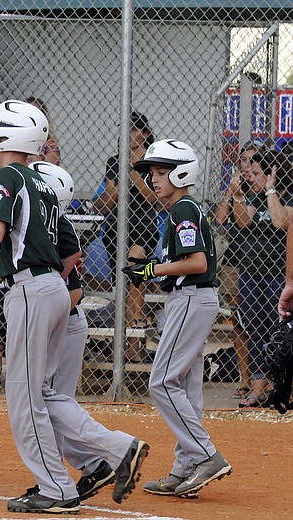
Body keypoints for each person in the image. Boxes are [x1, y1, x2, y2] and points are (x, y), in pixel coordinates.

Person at [0, 100, 148, 514]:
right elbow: (64, 250)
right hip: (52, 289)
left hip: (29, 291)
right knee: (43, 392)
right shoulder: (43, 183)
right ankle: (118, 447)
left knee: (23, 398)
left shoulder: (9, 177)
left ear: (10, 136)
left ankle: (56, 489)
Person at [122, 139, 232, 497]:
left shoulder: (184, 208)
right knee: (187, 388)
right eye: (152, 173)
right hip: (192, 299)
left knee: (162, 381)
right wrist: (152, 269)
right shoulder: (181, 210)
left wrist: (151, 269)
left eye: (162, 172)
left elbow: (196, 263)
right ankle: (186, 470)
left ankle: (205, 456)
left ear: (182, 173)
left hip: (190, 299)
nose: (155, 180)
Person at [92, 110, 158, 362]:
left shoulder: (152, 161)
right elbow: (109, 201)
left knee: (135, 260)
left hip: (144, 225)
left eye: (137, 130)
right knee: (122, 281)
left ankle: (137, 322)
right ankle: (130, 348)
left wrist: (131, 171)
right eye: (128, 130)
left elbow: (153, 198)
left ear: (146, 134)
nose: (132, 135)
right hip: (117, 227)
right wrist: (116, 183)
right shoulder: (114, 162)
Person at [230, 149, 293, 408]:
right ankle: (258, 385)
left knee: (280, 330)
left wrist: (270, 190)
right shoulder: (254, 196)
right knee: (254, 329)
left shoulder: (286, 196)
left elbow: (280, 222)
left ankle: (282, 387)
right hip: (251, 272)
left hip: (277, 273)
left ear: (272, 174)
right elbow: (243, 221)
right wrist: (238, 194)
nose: (252, 177)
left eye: (257, 173)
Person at [213, 141, 262, 398]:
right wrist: (231, 190)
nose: (247, 165)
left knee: (260, 321)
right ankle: (245, 378)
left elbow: (246, 222)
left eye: (253, 160)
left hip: (261, 262)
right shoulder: (236, 188)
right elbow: (220, 219)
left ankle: (263, 378)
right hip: (235, 260)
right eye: (244, 160)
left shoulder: (262, 190)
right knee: (240, 322)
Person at [24, 97, 61, 165]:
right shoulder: (16, 141)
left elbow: (50, 169)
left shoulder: (49, 144)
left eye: (35, 113)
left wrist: (38, 162)